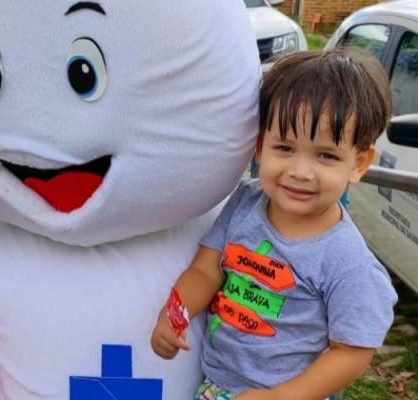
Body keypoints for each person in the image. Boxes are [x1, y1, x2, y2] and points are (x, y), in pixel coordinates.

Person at [151, 49, 398, 400]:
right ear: (259, 146)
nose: (300, 171)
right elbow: (207, 270)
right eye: (284, 147)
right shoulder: (245, 203)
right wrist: (175, 312)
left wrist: (279, 397)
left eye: (326, 155)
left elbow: (353, 354)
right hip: (217, 385)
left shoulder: (347, 259)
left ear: (359, 162)